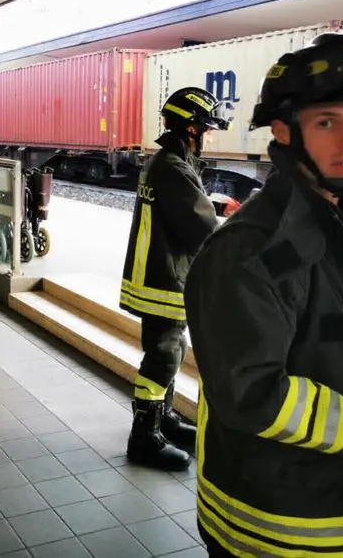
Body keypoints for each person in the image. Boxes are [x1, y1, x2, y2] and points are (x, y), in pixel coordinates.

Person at [184, 34, 343, 556]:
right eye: (327, 122)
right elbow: (254, 394)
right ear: (283, 131)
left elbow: (328, 356)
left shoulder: (339, 226)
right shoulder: (251, 249)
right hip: (277, 530)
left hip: (336, 506)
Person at [120, 87, 230, 471]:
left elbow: (185, 206)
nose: (209, 136)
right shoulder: (174, 167)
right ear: (190, 127)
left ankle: (163, 419)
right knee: (164, 353)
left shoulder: (166, 162)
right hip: (164, 279)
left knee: (172, 348)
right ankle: (144, 437)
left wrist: (210, 203)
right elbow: (202, 226)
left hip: (157, 273)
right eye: (206, 128)